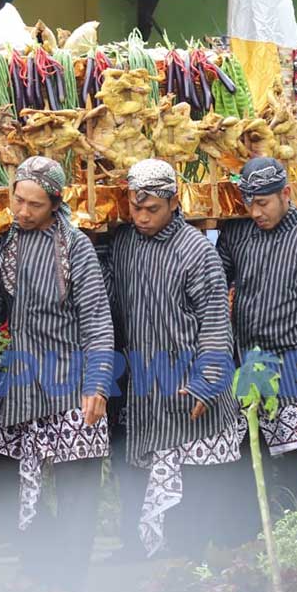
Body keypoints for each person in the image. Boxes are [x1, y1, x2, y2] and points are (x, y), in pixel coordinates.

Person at [0, 156, 114, 592]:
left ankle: (70, 583)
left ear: (55, 204)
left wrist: (97, 384)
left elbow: (98, 318)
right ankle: (36, 567)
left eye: (34, 204)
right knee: (11, 481)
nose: (22, 211)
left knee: (77, 494)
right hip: (21, 381)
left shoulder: (76, 248)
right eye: (17, 199)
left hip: (71, 381)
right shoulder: (5, 244)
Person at [106, 159, 245, 561]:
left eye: (152, 209)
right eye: (136, 208)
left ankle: (190, 571)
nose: (142, 217)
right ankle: (148, 563)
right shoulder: (125, 244)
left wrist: (206, 381)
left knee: (192, 495)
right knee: (138, 475)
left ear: (173, 203)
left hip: (190, 391)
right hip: (147, 391)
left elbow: (217, 325)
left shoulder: (197, 252)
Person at [217, 157, 297, 517]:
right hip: (249, 371)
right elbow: (213, 281)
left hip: (296, 370)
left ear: (286, 193)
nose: (255, 212)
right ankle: (256, 549)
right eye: (248, 203)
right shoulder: (237, 235)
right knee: (251, 468)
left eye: (263, 202)